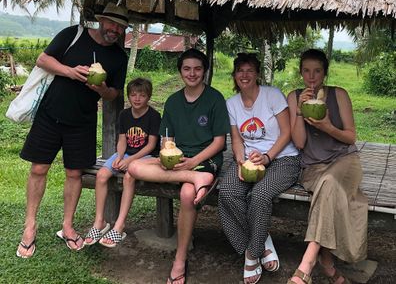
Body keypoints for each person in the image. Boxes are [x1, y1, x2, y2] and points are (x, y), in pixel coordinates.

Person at [16, 2, 129, 258]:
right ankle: (30, 226)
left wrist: (101, 89)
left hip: (83, 121)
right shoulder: (73, 34)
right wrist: (70, 72)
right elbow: (42, 59)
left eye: (120, 27)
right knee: (38, 168)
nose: (115, 30)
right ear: (101, 21)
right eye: (112, 24)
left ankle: (68, 225)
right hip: (50, 114)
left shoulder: (118, 57)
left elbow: (114, 94)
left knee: (74, 173)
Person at [127, 48, 230, 284]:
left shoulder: (214, 99)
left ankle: (180, 259)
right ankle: (196, 179)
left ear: (204, 71)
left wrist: (194, 162)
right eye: (187, 69)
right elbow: (166, 139)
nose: (192, 73)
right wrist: (167, 154)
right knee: (134, 168)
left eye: (197, 68)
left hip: (206, 160)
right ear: (180, 71)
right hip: (179, 161)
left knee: (186, 195)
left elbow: (219, 142)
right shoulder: (173, 101)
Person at [218, 53, 301, 284]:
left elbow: (287, 134)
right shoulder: (231, 103)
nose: (244, 75)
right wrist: (240, 160)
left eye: (249, 70)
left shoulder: (272, 95)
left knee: (260, 194)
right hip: (249, 161)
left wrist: (266, 156)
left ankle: (252, 254)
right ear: (234, 75)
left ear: (257, 74)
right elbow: (236, 139)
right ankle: (261, 240)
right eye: (240, 71)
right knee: (227, 192)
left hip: (283, 158)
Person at [286, 49, 368, 284]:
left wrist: (327, 126)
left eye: (317, 71)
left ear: (325, 73)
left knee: (329, 182)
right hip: (313, 167)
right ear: (301, 72)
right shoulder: (294, 97)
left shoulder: (339, 94)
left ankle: (307, 263)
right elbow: (300, 142)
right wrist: (300, 112)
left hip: (345, 163)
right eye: (306, 71)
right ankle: (327, 262)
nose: (311, 77)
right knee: (326, 187)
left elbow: (350, 137)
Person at [84, 78, 161, 247]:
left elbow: (151, 145)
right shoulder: (124, 115)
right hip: (125, 153)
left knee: (128, 177)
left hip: (146, 156)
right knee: (102, 175)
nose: (137, 99)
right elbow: (122, 140)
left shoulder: (154, 116)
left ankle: (119, 225)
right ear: (128, 96)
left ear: (148, 96)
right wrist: (119, 157)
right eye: (133, 95)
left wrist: (130, 160)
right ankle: (99, 221)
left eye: (142, 95)